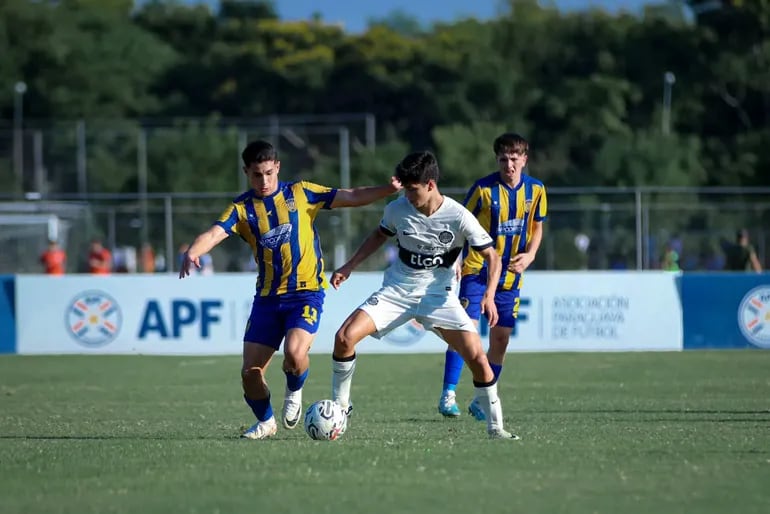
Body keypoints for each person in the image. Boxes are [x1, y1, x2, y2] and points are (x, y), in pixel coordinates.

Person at [179, 140, 400, 440]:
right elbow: (215, 233)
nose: (264, 181)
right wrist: (194, 250)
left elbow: (349, 195)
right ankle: (266, 422)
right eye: (257, 175)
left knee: (295, 354)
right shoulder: (242, 209)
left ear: (278, 167)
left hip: (306, 294)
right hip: (267, 300)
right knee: (250, 374)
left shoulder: (301, 192)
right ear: (246, 172)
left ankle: (294, 393)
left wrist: (386, 190)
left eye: (269, 173)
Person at [330, 150, 519, 440]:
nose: (406, 195)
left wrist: (490, 295)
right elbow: (379, 235)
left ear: (430, 185)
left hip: (438, 297)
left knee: (478, 359)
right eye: (404, 188)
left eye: (412, 189)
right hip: (397, 291)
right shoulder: (397, 209)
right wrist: (349, 265)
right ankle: (341, 408)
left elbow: (492, 257)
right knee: (344, 338)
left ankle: (496, 428)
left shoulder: (458, 216)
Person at [439, 132, 547, 421]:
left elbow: (537, 227)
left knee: (500, 340)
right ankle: (448, 394)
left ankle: (479, 399)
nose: (508, 165)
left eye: (514, 159)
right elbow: (459, 224)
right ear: (497, 160)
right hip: (477, 268)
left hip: (510, 274)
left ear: (524, 159)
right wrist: (457, 259)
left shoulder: (536, 191)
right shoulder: (483, 190)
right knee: (466, 330)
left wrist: (531, 255)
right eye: (503, 159)